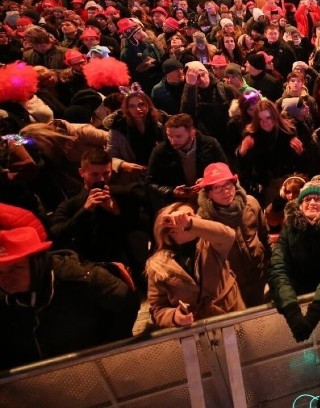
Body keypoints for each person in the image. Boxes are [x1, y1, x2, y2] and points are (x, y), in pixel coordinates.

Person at [0, 227, 140, 370]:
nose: (5, 279)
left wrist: (112, 347)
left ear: (38, 262)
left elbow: (128, 301)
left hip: (102, 366)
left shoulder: (80, 278)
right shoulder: (4, 298)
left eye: (15, 268)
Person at [49, 148, 151, 288]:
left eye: (106, 173)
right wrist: (85, 210)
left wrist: (116, 211)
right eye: (94, 174)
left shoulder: (123, 194)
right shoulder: (71, 205)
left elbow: (143, 225)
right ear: (81, 173)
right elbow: (56, 234)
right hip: (92, 267)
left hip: (128, 261)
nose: (101, 179)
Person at [269, 176, 320, 342]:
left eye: (318, 199)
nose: (312, 202)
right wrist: (292, 313)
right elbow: (278, 268)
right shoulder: (289, 229)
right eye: (307, 199)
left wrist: (314, 313)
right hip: (296, 297)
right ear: (299, 205)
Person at [145, 202, 245, 328]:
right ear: (170, 231)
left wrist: (190, 224)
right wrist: (174, 317)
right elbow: (157, 309)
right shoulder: (157, 265)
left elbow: (228, 235)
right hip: (195, 327)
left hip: (230, 313)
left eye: (192, 215)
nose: (192, 219)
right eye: (185, 218)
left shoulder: (211, 243)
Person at [195, 162, 270, 307]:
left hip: (258, 276)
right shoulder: (203, 220)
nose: (225, 191)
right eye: (218, 187)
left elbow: (264, 235)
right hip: (230, 285)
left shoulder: (251, 204)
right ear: (208, 193)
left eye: (228, 184)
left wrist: (270, 269)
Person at [146, 113, 228, 208]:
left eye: (178, 136)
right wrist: (171, 192)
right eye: (169, 136)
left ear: (192, 133)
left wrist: (207, 181)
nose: (173, 141)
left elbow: (225, 170)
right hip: (178, 202)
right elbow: (149, 183)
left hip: (209, 197)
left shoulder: (210, 144)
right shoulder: (161, 151)